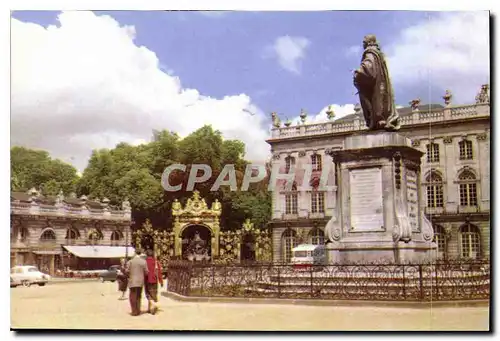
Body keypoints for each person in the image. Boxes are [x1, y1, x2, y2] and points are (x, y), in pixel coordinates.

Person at [353, 34, 400, 131]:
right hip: (380, 83)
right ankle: (382, 119)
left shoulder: (370, 53)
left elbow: (368, 67)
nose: (363, 44)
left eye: (364, 41)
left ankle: (379, 120)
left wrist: (358, 73)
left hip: (376, 86)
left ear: (369, 42)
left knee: (377, 101)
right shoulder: (378, 53)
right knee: (381, 100)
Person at [125, 249, 148, 316]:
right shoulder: (143, 262)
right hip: (140, 281)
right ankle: (138, 310)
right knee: (138, 296)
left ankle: (134, 311)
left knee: (132, 296)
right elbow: (146, 272)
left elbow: (127, 271)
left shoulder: (130, 262)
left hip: (132, 281)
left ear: (135, 253)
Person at [144, 249, 164, 315]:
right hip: (155, 280)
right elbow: (159, 272)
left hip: (147, 280)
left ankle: (153, 305)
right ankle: (150, 309)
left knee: (148, 294)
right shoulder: (156, 262)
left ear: (146, 254)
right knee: (154, 294)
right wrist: (161, 281)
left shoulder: (145, 262)